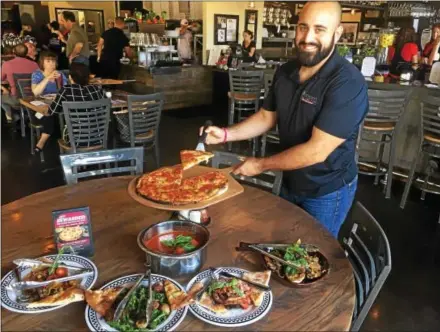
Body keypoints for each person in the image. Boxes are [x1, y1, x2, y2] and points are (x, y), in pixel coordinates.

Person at [200, 1, 368, 238]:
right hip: (289, 178)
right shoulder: (286, 71)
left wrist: (259, 165)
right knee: (280, 240)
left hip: (326, 189)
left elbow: (316, 152)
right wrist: (227, 134)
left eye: (319, 29)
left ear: (337, 33)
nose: (307, 37)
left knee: (312, 253)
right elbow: (267, 117)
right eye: (302, 27)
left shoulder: (347, 83)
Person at [33, 62, 104, 153]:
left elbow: (52, 111)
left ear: (70, 77)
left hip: (75, 140)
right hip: (99, 137)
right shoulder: (97, 89)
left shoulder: (66, 90)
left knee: (54, 122)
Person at [1, 44, 39, 122]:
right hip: (33, 99)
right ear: (26, 53)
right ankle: (18, 116)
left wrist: (4, 87)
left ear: (14, 52)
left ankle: (11, 116)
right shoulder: (35, 65)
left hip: (16, 99)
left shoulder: (7, 64)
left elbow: (1, 78)